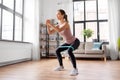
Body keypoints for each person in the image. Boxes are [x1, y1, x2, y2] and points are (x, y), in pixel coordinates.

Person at [46, 9, 80, 76]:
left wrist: (50, 24)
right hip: (67, 43)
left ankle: (75, 69)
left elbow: (58, 30)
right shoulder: (58, 25)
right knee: (57, 50)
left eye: (58, 14)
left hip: (75, 41)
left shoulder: (66, 24)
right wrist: (47, 25)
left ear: (63, 15)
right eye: (56, 14)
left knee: (69, 51)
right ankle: (61, 66)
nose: (57, 15)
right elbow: (49, 32)